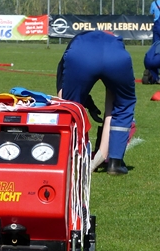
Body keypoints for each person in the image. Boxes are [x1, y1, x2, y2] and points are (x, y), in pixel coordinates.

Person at [57, 30, 137, 175]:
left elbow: (63, 93)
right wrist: (91, 105)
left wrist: (84, 103)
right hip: (117, 57)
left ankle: (71, 156)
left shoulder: (77, 42)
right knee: (124, 104)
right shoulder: (116, 41)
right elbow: (113, 98)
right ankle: (115, 162)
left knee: (70, 106)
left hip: (81, 56)